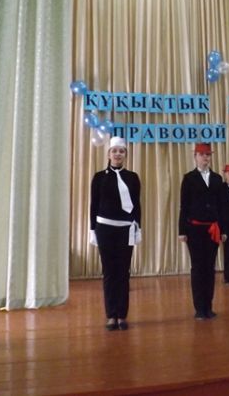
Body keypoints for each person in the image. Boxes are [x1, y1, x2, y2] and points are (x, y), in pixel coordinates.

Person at [89, 136, 141, 331]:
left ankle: (122, 315)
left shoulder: (133, 177)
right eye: (114, 151)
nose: (118, 154)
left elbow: (137, 205)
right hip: (105, 229)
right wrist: (92, 229)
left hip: (125, 229)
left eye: (121, 151)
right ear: (108, 154)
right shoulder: (99, 177)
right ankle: (111, 315)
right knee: (109, 272)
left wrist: (138, 228)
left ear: (125, 154)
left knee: (123, 273)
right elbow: (93, 205)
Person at [178, 143, 226, 320]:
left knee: (210, 267)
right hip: (194, 230)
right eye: (202, 154)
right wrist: (182, 230)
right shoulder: (189, 178)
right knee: (198, 268)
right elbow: (184, 206)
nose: (205, 157)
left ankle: (208, 306)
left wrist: (223, 230)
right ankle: (199, 308)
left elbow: (221, 206)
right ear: (195, 157)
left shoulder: (217, 179)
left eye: (208, 155)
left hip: (213, 229)